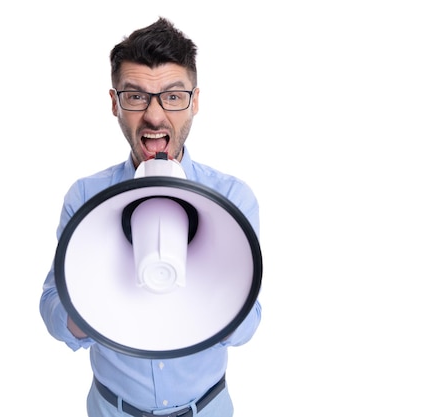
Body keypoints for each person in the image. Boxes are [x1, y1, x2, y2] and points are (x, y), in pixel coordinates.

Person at [40, 17, 262, 417]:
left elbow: (247, 328)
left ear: (195, 101)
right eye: (136, 96)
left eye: (173, 97)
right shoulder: (87, 197)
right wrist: (91, 303)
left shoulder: (231, 198)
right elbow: (53, 310)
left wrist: (216, 288)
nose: (156, 117)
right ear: (114, 103)